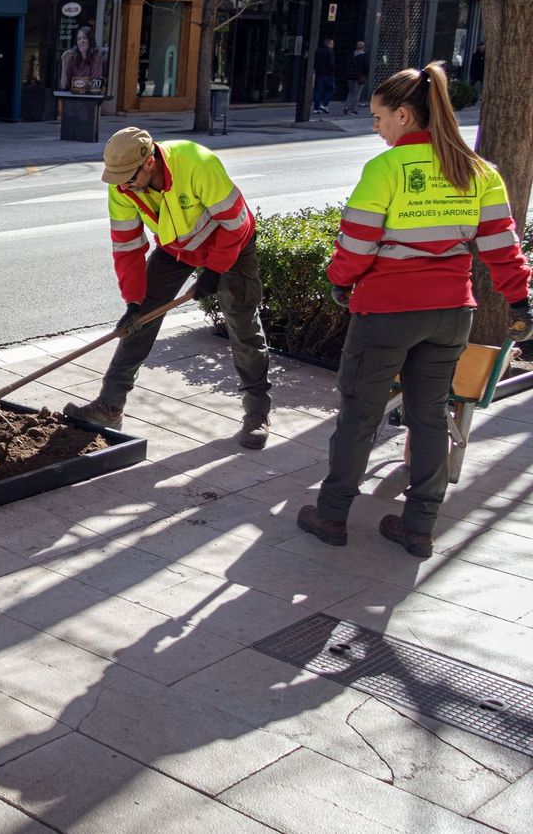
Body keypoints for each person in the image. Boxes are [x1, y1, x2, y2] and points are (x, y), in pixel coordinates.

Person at [297, 61, 532, 559]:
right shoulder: (480, 171)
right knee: (429, 416)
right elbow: (503, 249)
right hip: (451, 313)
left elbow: (356, 246)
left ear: (404, 115)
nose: (376, 128)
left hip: (386, 313)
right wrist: (520, 302)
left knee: (360, 414)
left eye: (380, 118)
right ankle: (419, 525)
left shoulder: (385, 169)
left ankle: (333, 515)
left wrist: (340, 283)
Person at [66, 127, 273, 448]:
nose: (122, 185)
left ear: (149, 163)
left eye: (128, 178)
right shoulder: (121, 187)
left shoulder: (196, 162)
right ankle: (110, 405)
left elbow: (237, 224)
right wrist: (134, 302)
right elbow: (127, 247)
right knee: (139, 321)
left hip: (231, 243)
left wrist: (215, 271)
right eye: (116, 178)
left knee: (242, 324)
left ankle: (257, 411)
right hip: (177, 248)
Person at [60, 24, 106, 95]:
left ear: (90, 40)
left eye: (84, 38)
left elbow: (96, 84)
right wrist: (63, 62)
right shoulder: (71, 57)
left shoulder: (96, 55)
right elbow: (64, 86)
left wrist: (76, 85)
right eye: (79, 39)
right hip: (72, 99)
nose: (81, 41)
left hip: (89, 99)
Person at [343, 40, 368, 115]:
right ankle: (352, 109)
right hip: (359, 77)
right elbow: (366, 68)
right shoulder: (364, 56)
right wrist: (365, 76)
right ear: (363, 47)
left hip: (350, 76)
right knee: (357, 93)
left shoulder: (351, 54)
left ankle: (346, 107)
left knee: (350, 92)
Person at [313, 36, 337, 113]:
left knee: (319, 90)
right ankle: (324, 104)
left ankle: (316, 108)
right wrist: (333, 70)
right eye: (332, 44)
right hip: (328, 73)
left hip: (319, 73)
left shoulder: (318, 51)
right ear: (329, 44)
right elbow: (331, 63)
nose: (333, 45)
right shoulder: (330, 52)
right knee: (331, 89)